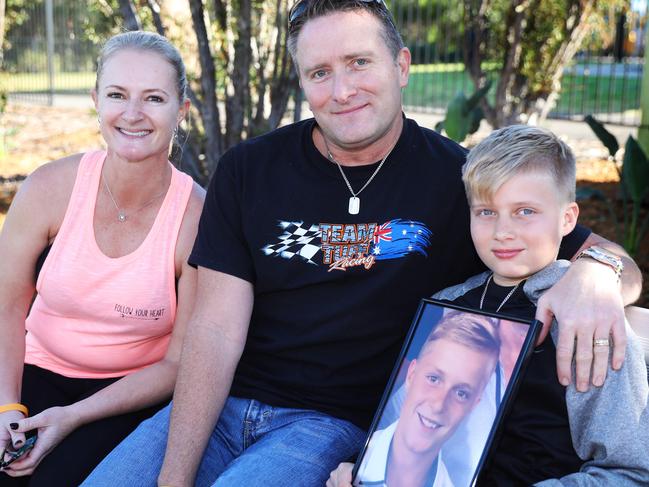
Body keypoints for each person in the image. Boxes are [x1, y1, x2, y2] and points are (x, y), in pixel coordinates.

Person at [84, 2, 641, 486]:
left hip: (331, 426)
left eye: (358, 63)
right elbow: (215, 329)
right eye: (319, 72)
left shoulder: (458, 180)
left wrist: (594, 275)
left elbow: (613, 261)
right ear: (302, 83)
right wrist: (174, 476)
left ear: (401, 66)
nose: (342, 90)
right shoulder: (248, 169)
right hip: (222, 405)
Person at [327, 125, 649, 486]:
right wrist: (363, 466)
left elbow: (631, 473)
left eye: (525, 211)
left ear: (568, 219)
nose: (503, 231)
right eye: (486, 212)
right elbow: (403, 422)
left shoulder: (586, 318)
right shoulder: (445, 307)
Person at [0, 31, 205, 486]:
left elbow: (178, 364)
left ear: (181, 111)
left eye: (154, 98)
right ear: (97, 100)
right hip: (30, 372)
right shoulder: (47, 188)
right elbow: (7, 309)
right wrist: (7, 408)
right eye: (117, 95)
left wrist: (72, 417)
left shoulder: (198, 218)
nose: (132, 114)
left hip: (129, 396)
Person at [355, 312, 500, 487]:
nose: (439, 404)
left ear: (473, 405)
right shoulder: (353, 459)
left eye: (461, 393)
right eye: (433, 379)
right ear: (411, 374)